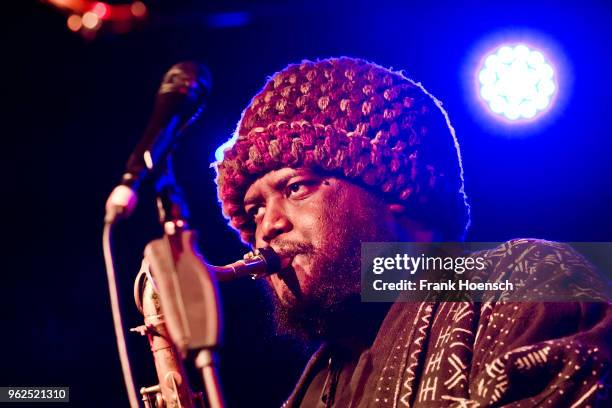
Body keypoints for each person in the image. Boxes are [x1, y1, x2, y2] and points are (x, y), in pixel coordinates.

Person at [214, 57, 610, 407]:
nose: (267, 227)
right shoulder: (316, 385)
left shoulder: (526, 281)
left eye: (296, 187)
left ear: (395, 191)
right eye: (254, 210)